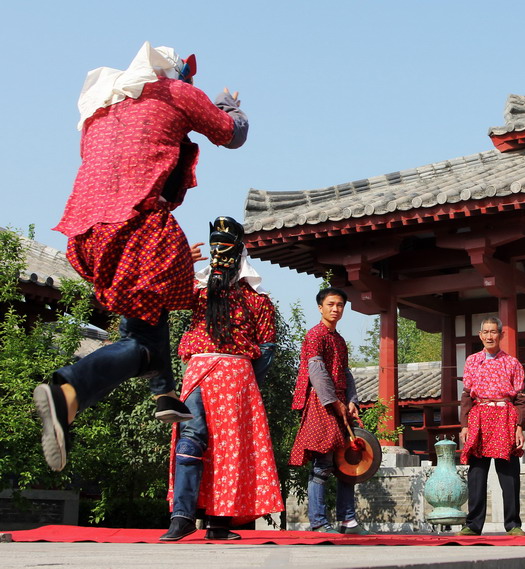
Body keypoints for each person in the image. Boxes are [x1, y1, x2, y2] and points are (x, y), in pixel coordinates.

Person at [33, 42, 248, 472]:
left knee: (152, 297)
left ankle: (154, 394)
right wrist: (229, 106)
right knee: (146, 342)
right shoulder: (175, 91)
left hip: (88, 233)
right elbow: (231, 134)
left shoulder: (101, 107)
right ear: (175, 75)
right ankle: (68, 386)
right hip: (135, 223)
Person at [159, 217, 283, 541]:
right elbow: (165, 295)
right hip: (210, 370)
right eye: (216, 246)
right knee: (202, 439)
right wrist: (181, 261)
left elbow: (267, 346)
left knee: (213, 443)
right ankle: (190, 518)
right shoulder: (201, 293)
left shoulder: (254, 299)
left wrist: (245, 380)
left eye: (224, 247)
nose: (219, 253)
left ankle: (209, 522)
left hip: (226, 373)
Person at [289, 288, 367, 534]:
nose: (336, 309)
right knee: (322, 465)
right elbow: (318, 374)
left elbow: (345, 373)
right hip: (322, 405)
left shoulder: (340, 340)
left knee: (348, 462)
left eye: (340, 305)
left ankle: (348, 520)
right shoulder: (314, 335)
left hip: (342, 405)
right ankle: (319, 522)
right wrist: (335, 402)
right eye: (331, 304)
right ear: (320, 307)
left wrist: (352, 400)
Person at [456, 317, 525, 537]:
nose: (489, 336)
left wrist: (519, 426)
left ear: (501, 335)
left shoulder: (512, 363)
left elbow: (521, 398)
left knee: (509, 473)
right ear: (480, 335)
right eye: (485, 332)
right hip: (479, 417)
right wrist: (465, 425)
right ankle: (473, 524)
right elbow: (467, 395)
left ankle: (513, 524)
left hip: (505, 417)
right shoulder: (472, 361)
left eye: (493, 332)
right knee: (477, 473)